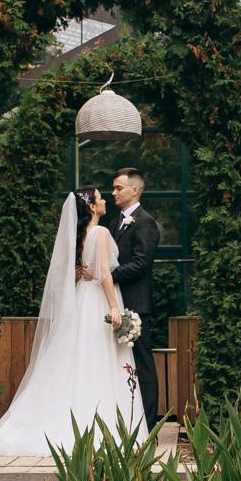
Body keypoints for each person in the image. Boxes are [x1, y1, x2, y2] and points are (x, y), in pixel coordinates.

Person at [0, 188, 144, 455]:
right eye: (99, 198)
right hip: (98, 300)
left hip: (80, 301)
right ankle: (104, 426)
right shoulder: (100, 233)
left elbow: (73, 273)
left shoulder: (78, 237)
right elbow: (104, 276)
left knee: (77, 357)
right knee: (100, 359)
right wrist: (114, 306)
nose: (104, 201)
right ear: (90, 207)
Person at [103, 167, 160, 424]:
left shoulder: (145, 222)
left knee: (142, 364)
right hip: (118, 303)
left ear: (134, 189)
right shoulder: (116, 222)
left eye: (118, 188)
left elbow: (141, 263)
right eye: (113, 188)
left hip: (137, 304)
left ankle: (148, 425)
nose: (113, 192)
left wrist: (109, 276)